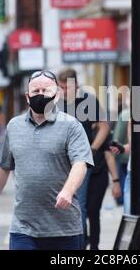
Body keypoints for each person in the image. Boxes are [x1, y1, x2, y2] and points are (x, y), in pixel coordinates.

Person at [0, 70, 94, 250]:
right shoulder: (14, 126)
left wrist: (68, 190)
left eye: (46, 90)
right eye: (36, 91)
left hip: (64, 230)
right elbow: (2, 167)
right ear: (27, 96)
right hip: (23, 229)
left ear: (56, 95)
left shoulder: (72, 126)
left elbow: (80, 164)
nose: (40, 94)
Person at [57, 68, 110, 249]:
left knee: (79, 204)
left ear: (76, 84)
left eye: (67, 88)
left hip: (81, 159)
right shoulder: (55, 102)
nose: (64, 92)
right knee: (66, 204)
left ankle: (79, 245)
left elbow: (104, 126)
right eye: (61, 87)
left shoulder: (88, 100)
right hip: (59, 161)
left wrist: (93, 148)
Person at [87, 124, 121, 250]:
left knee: (93, 210)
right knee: (82, 211)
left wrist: (116, 182)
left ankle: (94, 246)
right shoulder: (77, 126)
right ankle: (84, 239)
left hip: (98, 176)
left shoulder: (102, 131)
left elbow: (109, 157)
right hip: (81, 176)